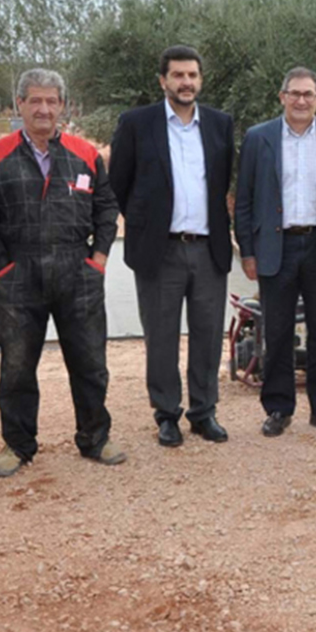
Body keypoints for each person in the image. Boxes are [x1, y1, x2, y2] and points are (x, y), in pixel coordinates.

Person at [0, 69, 124, 476]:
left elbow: (107, 209)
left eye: (52, 101)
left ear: (62, 105)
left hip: (78, 272)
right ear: (19, 104)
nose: (44, 109)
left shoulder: (85, 153)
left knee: (91, 362)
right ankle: (17, 445)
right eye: (35, 101)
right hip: (18, 274)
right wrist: (1, 270)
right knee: (17, 366)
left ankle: (95, 438)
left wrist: (98, 259)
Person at [109, 45, 235, 447]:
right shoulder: (136, 124)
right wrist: (144, 227)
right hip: (158, 252)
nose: (186, 82)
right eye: (178, 75)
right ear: (163, 80)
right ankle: (167, 415)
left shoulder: (219, 124)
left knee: (208, 334)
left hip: (208, 248)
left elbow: (222, 184)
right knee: (161, 337)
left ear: (201, 79)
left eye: (193, 75)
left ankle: (204, 412)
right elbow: (119, 185)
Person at [235, 66, 316, 438]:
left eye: (309, 94)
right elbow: (244, 199)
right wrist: (247, 250)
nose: (301, 100)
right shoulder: (259, 139)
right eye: (295, 93)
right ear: (282, 97)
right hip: (277, 247)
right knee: (276, 332)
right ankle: (278, 407)